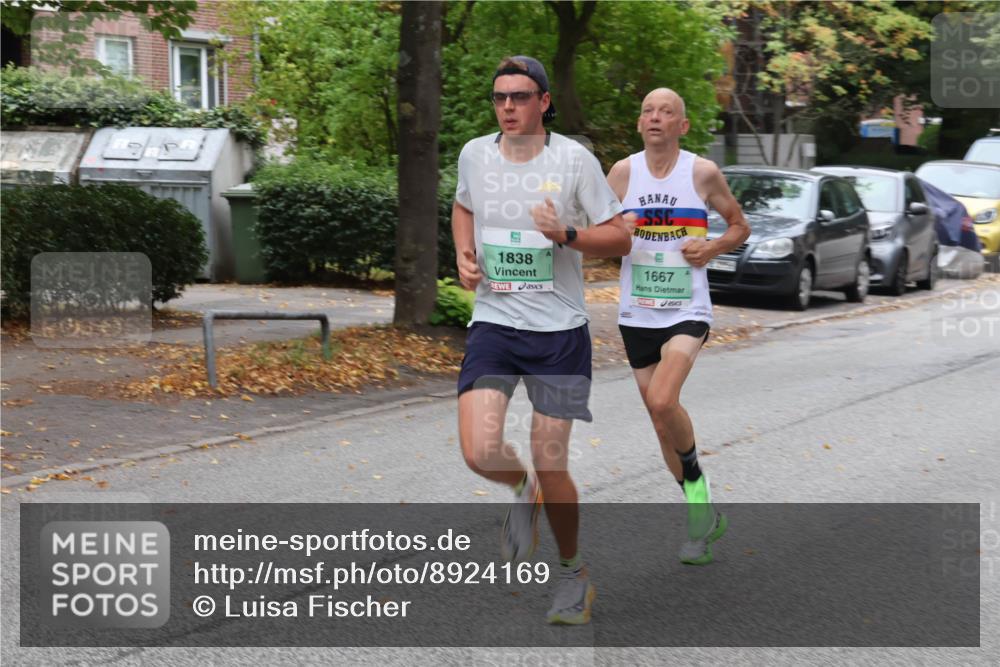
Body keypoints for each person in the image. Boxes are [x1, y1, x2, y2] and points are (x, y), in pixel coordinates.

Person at [452, 55, 632, 624]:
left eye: (521, 96)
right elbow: (462, 205)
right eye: (500, 97)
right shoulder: (475, 154)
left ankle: (573, 573)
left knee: (552, 461)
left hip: (559, 332)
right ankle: (521, 490)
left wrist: (569, 234)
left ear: (544, 101)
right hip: (495, 324)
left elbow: (623, 238)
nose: (508, 106)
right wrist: (463, 253)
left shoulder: (573, 159)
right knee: (480, 451)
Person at [607, 88, 749, 565]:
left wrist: (711, 248)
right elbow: (598, 234)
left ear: (682, 126)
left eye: (666, 111)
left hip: (687, 309)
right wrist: (614, 232)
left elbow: (738, 226)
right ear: (639, 121)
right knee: (658, 418)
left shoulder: (702, 172)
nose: (655, 117)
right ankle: (701, 511)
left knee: (663, 399)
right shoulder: (623, 173)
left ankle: (696, 489)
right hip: (636, 312)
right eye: (647, 109)